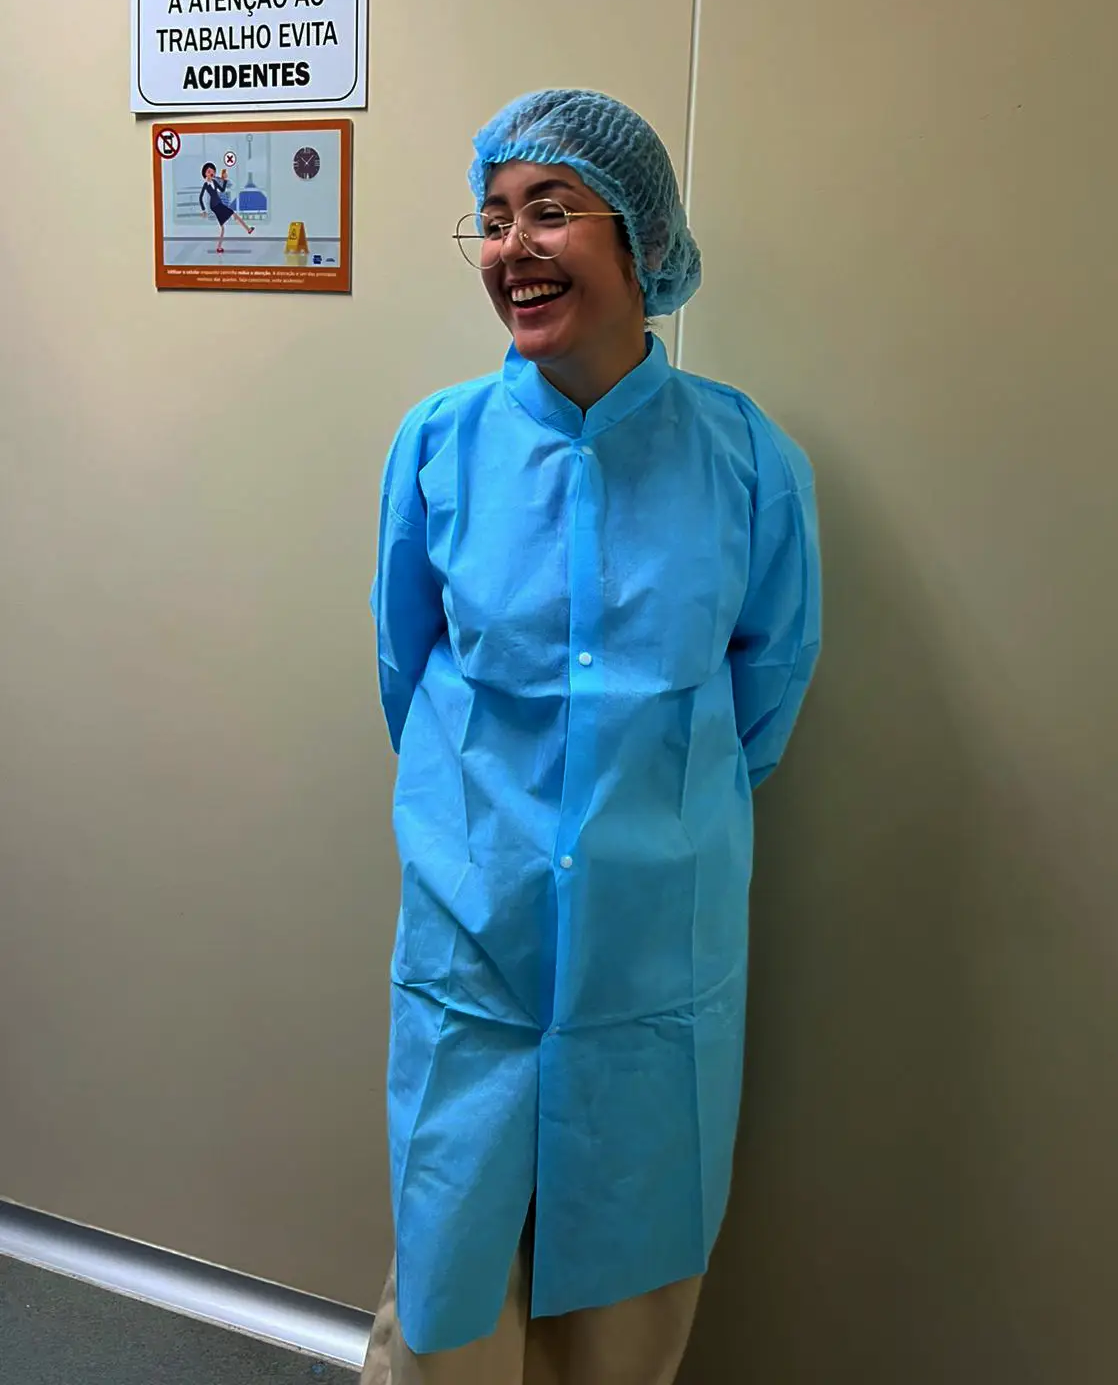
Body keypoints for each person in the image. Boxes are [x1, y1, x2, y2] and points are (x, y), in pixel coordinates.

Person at [363, 89, 821, 1385]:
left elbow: (765, 693)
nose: (513, 247)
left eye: (550, 211)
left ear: (643, 241)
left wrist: (646, 818)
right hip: (475, 954)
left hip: (651, 969)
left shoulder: (746, 460)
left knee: (620, 1337)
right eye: (494, 217)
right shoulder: (439, 446)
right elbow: (407, 670)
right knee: (445, 1318)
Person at [198, 162, 255, 253]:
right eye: (209, 172)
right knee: (231, 216)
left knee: (226, 223)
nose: (211, 173)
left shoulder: (214, 182)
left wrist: (224, 180)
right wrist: (203, 210)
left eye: (212, 172)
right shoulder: (206, 185)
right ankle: (248, 230)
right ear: (205, 174)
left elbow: (222, 190)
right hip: (215, 205)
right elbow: (200, 197)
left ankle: (220, 246)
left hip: (219, 203)